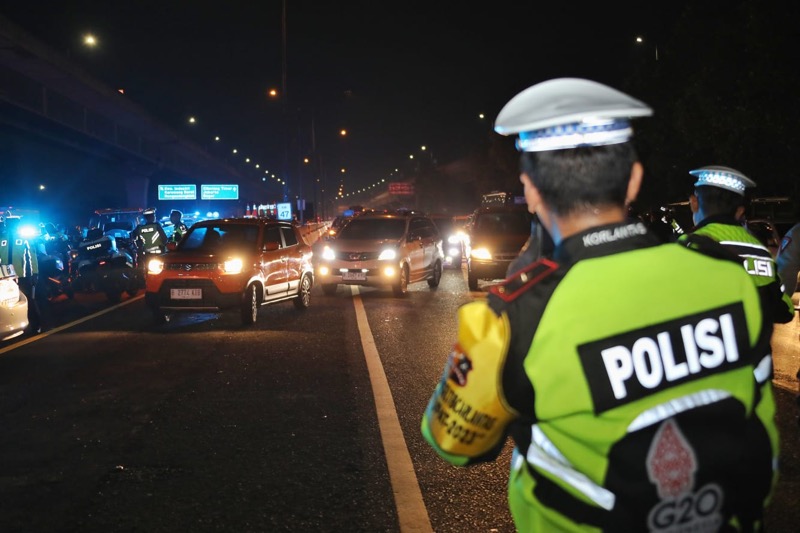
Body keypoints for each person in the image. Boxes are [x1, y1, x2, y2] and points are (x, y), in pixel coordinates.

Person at [421, 78, 779, 531]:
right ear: (633, 181)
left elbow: (452, 440)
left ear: (530, 191)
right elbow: (759, 424)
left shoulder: (513, 315)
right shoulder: (729, 279)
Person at [680, 166, 794, 325]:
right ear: (740, 211)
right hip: (755, 348)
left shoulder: (687, 246)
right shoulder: (761, 253)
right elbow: (785, 311)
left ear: (694, 203)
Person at [0, 214, 42, 334]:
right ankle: (12, 326)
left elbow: (32, 257)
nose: (10, 226)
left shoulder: (25, 239)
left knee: (29, 300)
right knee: (8, 302)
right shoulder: (2, 238)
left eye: (13, 224)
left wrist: (35, 273)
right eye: (8, 223)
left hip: (23, 276)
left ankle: (35, 325)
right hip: (6, 278)